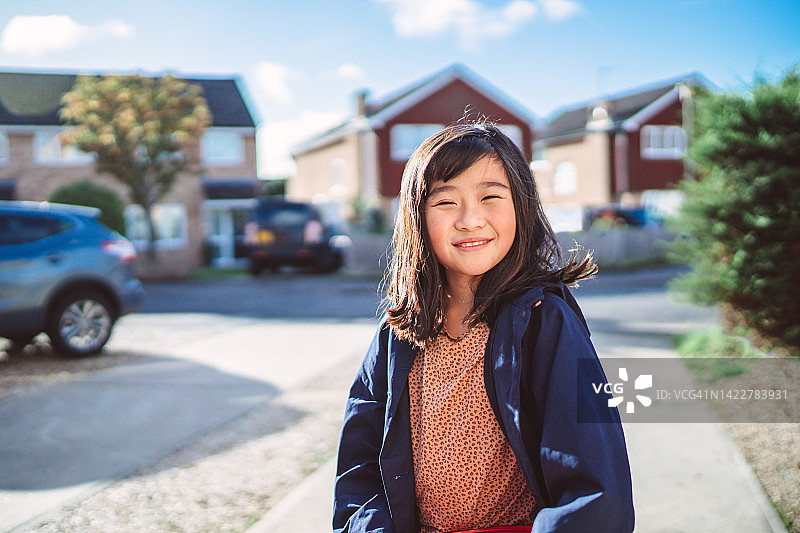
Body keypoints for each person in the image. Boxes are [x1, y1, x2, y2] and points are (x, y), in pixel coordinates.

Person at [333, 122, 634, 533]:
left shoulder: (544, 321)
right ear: (417, 219)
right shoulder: (397, 335)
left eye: (490, 196)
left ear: (521, 206)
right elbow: (361, 467)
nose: (470, 220)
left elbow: (594, 485)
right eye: (445, 202)